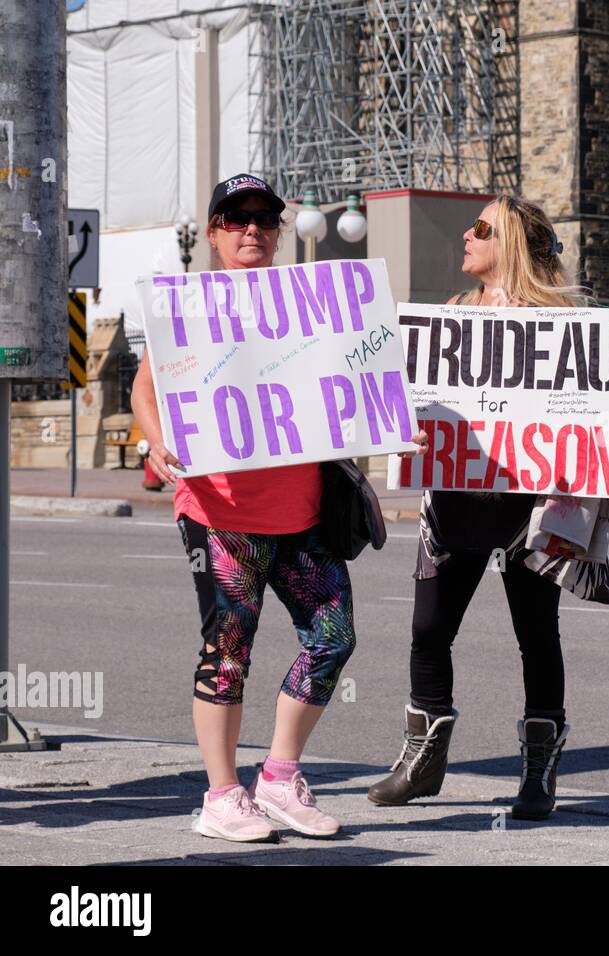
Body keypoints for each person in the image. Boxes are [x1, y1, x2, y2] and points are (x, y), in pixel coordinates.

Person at [130, 174, 427, 843]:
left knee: (333, 636)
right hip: (220, 510)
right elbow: (145, 390)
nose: (252, 230)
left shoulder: (311, 302)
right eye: (235, 219)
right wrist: (155, 438)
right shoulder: (189, 306)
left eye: (265, 218)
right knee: (227, 649)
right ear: (212, 233)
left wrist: (393, 424)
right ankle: (221, 796)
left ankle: (279, 777)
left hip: (301, 513)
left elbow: (357, 377)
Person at [367, 195, 609, 820]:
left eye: (481, 229)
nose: (466, 237)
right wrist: (404, 423)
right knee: (427, 629)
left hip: (534, 504)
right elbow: (406, 403)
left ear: (511, 246)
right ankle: (423, 757)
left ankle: (539, 771)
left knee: (536, 636)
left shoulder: (570, 327)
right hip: (459, 497)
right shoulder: (450, 318)